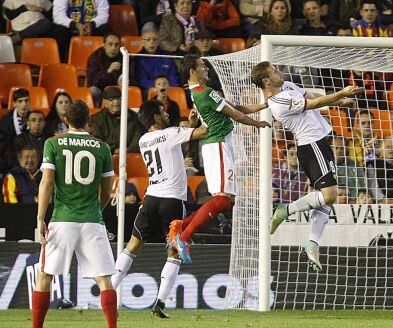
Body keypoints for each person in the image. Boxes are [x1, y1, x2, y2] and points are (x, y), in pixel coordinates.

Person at [251, 61, 362, 272]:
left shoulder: (288, 87)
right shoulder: (278, 101)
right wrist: (341, 93)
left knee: (325, 197)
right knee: (330, 195)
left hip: (320, 143)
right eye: (274, 71)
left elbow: (309, 96)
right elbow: (311, 105)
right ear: (266, 80)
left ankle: (312, 242)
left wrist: (341, 102)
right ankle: (286, 209)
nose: (279, 71)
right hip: (311, 145)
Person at [167, 55, 271, 264]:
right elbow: (237, 115)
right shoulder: (205, 93)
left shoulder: (199, 94)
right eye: (201, 66)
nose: (206, 68)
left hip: (219, 145)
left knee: (227, 202)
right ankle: (184, 238)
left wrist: (262, 107)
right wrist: (259, 124)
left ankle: (180, 226)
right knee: (223, 199)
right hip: (218, 145)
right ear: (192, 72)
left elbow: (233, 108)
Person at [110, 99, 207, 318]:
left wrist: (187, 127)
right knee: (174, 252)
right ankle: (160, 302)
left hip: (152, 198)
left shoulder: (144, 140)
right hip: (172, 201)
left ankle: (108, 292)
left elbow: (170, 145)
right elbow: (203, 132)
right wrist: (201, 120)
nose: (166, 114)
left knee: (133, 245)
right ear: (155, 116)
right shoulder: (172, 133)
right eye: (162, 112)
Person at [31, 100, 117, 328]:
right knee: (104, 279)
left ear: (65, 119)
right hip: (92, 221)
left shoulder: (53, 144)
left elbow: (47, 182)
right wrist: (96, 209)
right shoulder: (102, 147)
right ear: (89, 119)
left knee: (45, 275)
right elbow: (108, 189)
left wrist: (40, 218)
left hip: (61, 220)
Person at [91, 86, 144, 154]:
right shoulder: (96, 119)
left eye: (119, 99)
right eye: (111, 99)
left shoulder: (135, 118)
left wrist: (127, 150)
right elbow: (97, 142)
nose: (116, 102)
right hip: (107, 156)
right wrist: (113, 150)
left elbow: (138, 139)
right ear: (105, 102)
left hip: (130, 155)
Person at [135, 29, 181, 94]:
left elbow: (173, 75)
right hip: (149, 91)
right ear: (142, 42)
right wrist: (158, 87)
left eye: (155, 39)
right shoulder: (138, 58)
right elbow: (141, 80)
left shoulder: (167, 56)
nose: (152, 42)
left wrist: (169, 87)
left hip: (169, 89)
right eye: (148, 39)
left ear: (158, 42)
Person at [86, 33, 127, 105]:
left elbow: (134, 79)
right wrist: (107, 71)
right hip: (101, 92)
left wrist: (126, 81)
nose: (113, 48)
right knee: (93, 90)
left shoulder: (125, 57)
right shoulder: (95, 57)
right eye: (110, 44)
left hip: (120, 92)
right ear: (104, 45)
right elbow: (92, 82)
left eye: (116, 45)